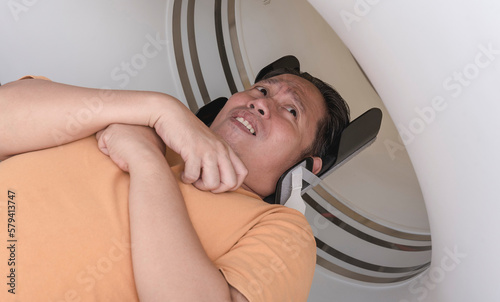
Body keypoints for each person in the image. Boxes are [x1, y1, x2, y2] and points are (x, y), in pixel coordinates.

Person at [0, 69, 349, 302]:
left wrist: (146, 162)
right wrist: (160, 109)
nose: (261, 103)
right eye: (261, 90)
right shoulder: (140, 116)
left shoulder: (283, 231)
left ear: (307, 165)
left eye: (291, 111)